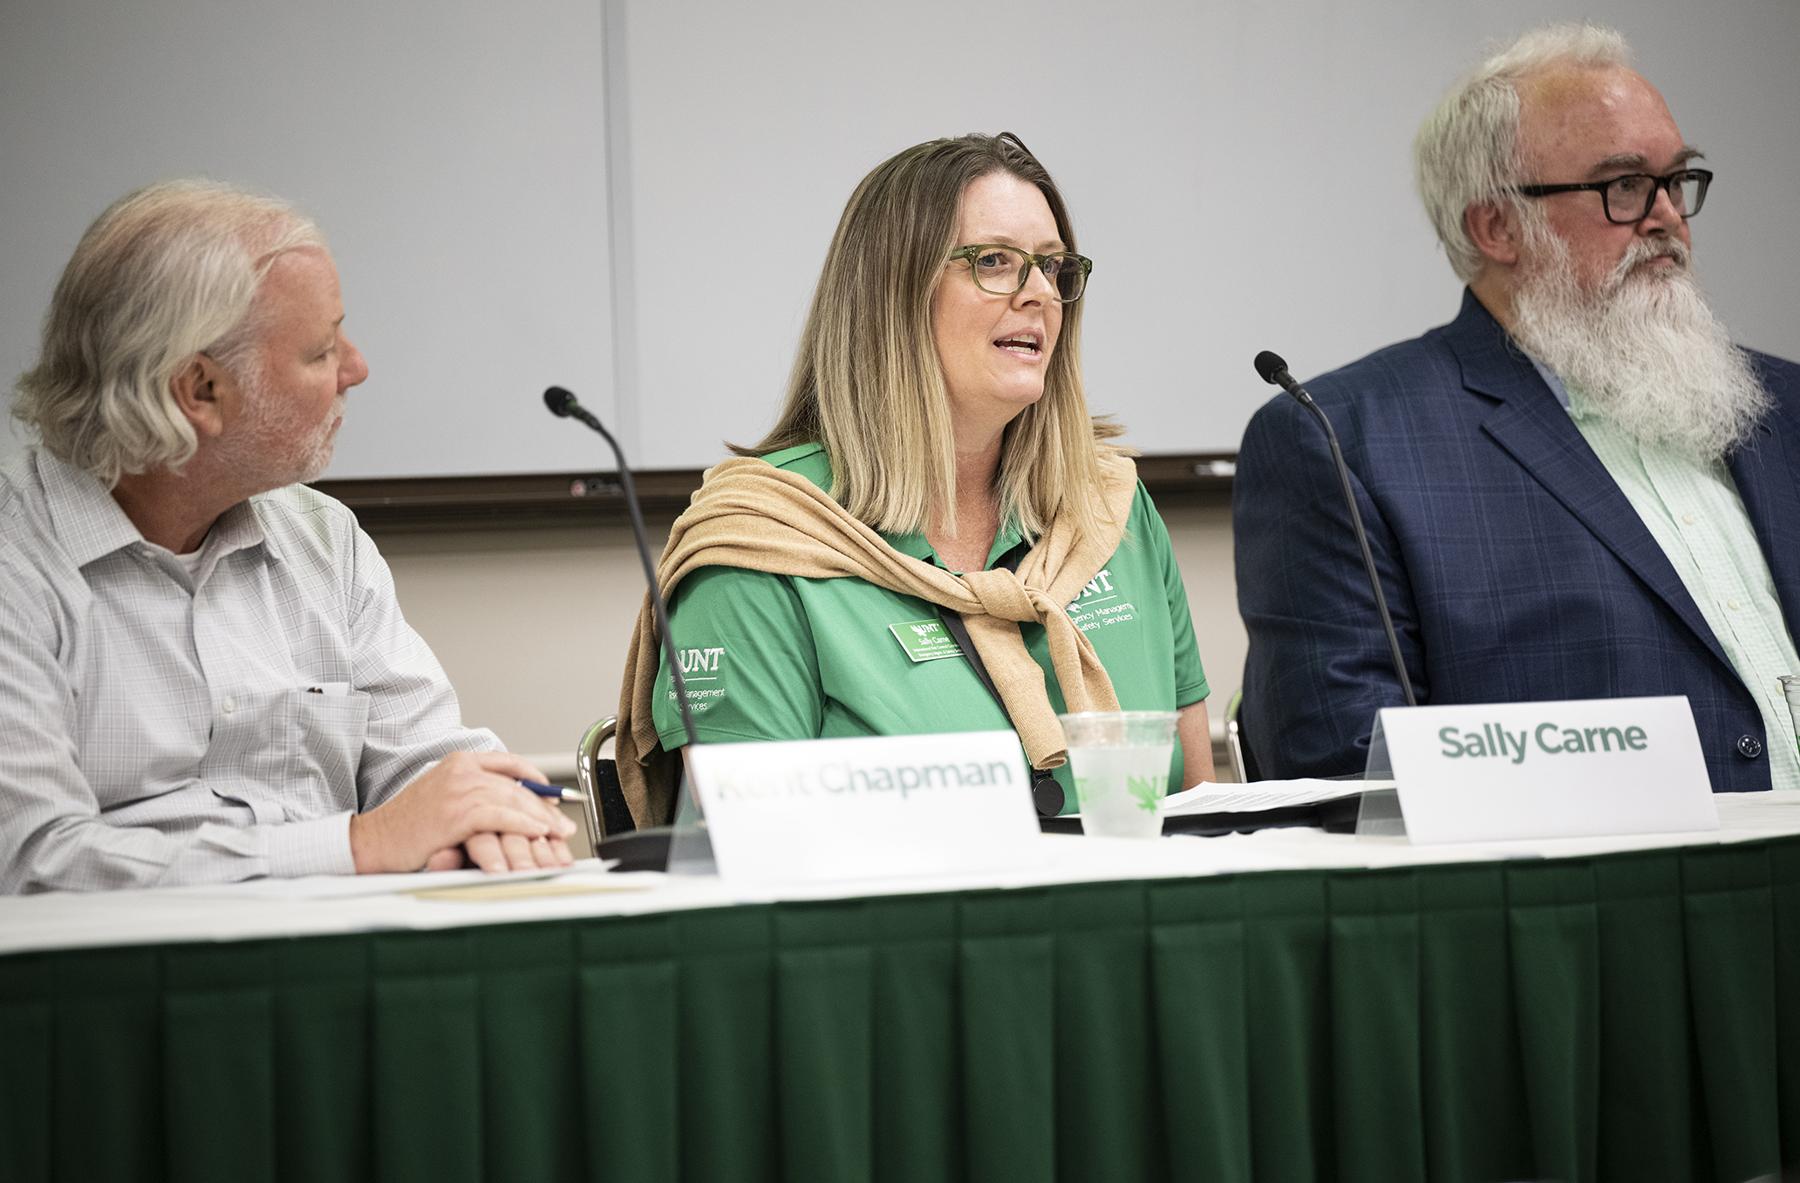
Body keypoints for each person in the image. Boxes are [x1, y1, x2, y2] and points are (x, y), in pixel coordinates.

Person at [1233, 24, 1800, 790]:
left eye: (1677, 179)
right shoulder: (1346, 443)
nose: (1667, 215)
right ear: (1496, 226)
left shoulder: (1784, 406)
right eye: (1624, 185)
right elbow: (1345, 774)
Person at [617, 133, 1212, 826]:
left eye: (1053, 268)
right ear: (892, 290)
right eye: (995, 261)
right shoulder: (760, 543)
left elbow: (1206, 816)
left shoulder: (1111, 511)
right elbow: (757, 872)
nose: (1042, 294)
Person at [0, 180, 575, 892]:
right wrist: (359, 844)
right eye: (322, 350)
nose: (356, 370)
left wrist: (491, 813)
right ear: (200, 391)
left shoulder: (323, 538)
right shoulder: (17, 556)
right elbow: (29, 862)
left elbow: (426, 764)